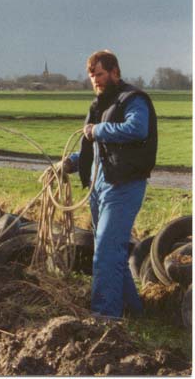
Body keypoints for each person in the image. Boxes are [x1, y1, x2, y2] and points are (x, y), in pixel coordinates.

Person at [62, 50, 158, 319]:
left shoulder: (133, 99)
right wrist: (72, 162)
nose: (96, 81)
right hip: (100, 186)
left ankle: (104, 318)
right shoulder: (100, 105)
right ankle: (134, 313)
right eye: (92, 76)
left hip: (124, 186)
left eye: (100, 74)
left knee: (105, 250)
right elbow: (101, 151)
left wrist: (97, 130)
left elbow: (137, 129)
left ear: (115, 72)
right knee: (111, 252)